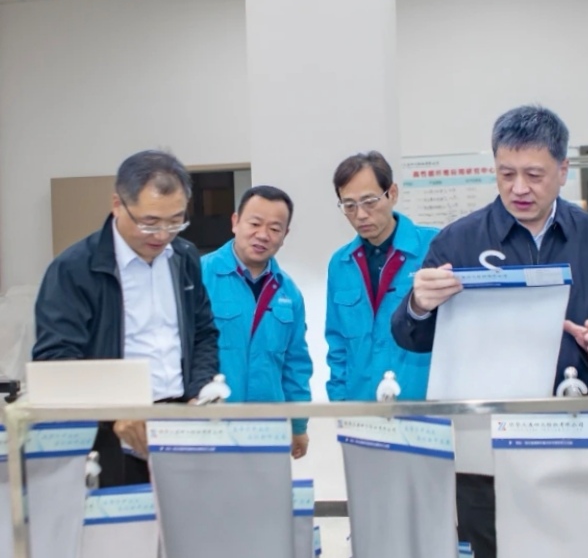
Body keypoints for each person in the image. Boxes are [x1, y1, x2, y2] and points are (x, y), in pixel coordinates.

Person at [391, 105, 588, 558]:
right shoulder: (458, 241)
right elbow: (409, 335)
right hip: (482, 449)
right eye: (506, 173)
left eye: (534, 174)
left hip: (571, 440)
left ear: (563, 170)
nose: (519, 188)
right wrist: (419, 304)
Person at [32, 150, 219, 486]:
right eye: (149, 222)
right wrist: (115, 409)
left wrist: (199, 391)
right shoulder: (74, 269)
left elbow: (203, 332)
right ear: (117, 204)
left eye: (175, 221)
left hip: (180, 424)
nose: (162, 235)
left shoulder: (184, 257)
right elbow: (56, 361)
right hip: (110, 436)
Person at [201, 185, 313, 458]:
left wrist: (299, 425)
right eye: (254, 223)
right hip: (208, 425)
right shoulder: (199, 275)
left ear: (285, 236)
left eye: (275, 229)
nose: (263, 235)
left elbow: (296, 365)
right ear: (235, 222)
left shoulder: (289, 293)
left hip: (268, 428)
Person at [325, 151, 438, 401]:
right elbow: (338, 346)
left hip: (422, 405)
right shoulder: (340, 264)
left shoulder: (434, 247)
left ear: (392, 194)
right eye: (349, 205)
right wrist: (340, 403)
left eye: (369, 201)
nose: (360, 215)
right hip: (360, 406)